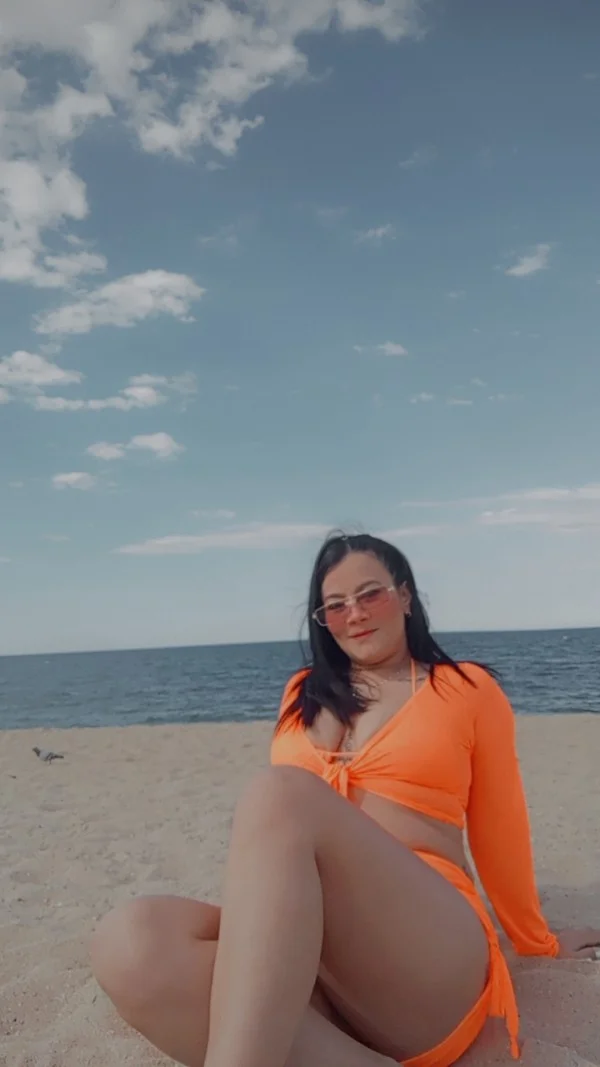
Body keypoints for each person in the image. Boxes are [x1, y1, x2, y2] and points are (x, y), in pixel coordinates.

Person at [90, 532, 600, 1067]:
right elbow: (278, 853)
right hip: (321, 962)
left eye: (370, 594)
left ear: (406, 596)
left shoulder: (465, 688)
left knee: (280, 794)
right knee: (130, 942)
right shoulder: (301, 693)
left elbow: (501, 829)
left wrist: (536, 939)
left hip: (430, 951)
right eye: (335, 605)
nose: (354, 614)